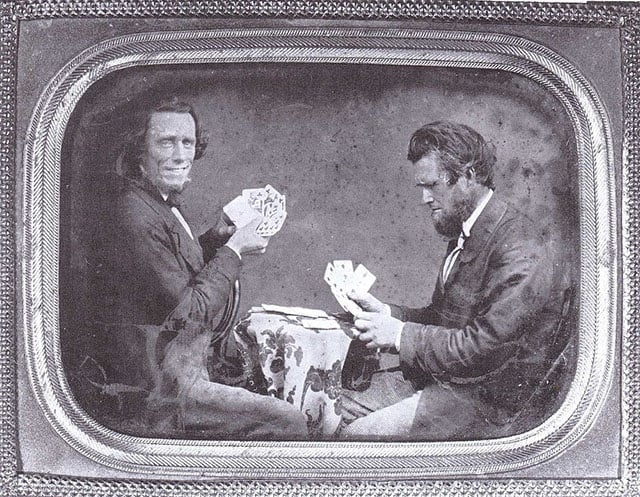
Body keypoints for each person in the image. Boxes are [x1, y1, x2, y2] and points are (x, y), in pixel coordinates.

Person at [82, 97, 307, 439]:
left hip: (184, 371)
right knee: (287, 420)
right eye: (166, 142)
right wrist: (234, 250)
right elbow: (187, 312)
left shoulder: (158, 203)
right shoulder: (133, 214)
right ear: (138, 150)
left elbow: (172, 275)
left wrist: (216, 238)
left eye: (187, 142)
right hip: (161, 391)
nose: (180, 155)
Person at [340, 121, 575, 440]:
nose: (425, 198)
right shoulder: (469, 231)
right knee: (334, 409)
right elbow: (444, 321)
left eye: (432, 185)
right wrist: (386, 314)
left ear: (469, 176)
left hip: (489, 405)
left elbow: (484, 349)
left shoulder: (522, 249)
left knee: (355, 440)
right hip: (452, 384)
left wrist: (399, 334)